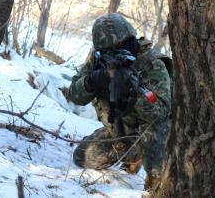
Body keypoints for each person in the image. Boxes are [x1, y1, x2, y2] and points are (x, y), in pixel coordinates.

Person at [69, 13, 171, 192]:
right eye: (109, 49)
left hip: (154, 134)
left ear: (131, 41)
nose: (115, 54)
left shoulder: (151, 63)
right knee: (82, 156)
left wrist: (134, 91)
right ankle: (133, 156)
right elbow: (75, 96)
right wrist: (91, 81)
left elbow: (160, 113)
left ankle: (156, 182)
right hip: (121, 132)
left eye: (120, 46)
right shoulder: (97, 61)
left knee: (155, 136)